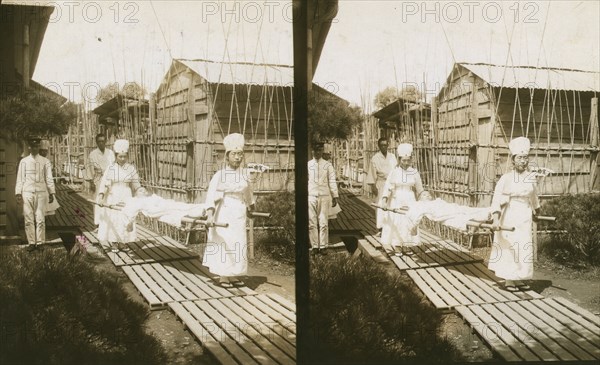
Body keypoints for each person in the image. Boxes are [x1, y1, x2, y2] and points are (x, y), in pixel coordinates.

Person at [489, 137, 540, 292]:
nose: (523, 161)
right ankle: (509, 279)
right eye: (519, 158)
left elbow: (534, 196)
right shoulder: (506, 178)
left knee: (523, 247)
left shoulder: (530, 178)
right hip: (510, 214)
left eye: (525, 158)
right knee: (511, 246)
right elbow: (497, 199)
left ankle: (520, 278)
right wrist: (496, 219)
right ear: (513, 160)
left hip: (524, 216)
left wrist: (537, 211)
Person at [204, 133, 255, 288]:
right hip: (224, 212)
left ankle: (234, 274)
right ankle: (224, 275)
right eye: (234, 154)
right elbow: (211, 196)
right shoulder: (221, 175)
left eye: (240, 154)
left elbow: (248, 193)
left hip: (239, 213)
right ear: (227, 156)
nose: (238, 158)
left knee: (238, 242)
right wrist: (210, 215)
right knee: (225, 242)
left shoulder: (244, 175)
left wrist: (251, 206)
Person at [96, 139, 144, 252]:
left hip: (126, 195)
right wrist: (102, 196)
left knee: (125, 217)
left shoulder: (131, 168)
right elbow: (105, 184)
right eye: (120, 156)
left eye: (124, 156)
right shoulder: (111, 168)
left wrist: (140, 191)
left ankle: (123, 242)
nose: (122, 159)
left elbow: (136, 183)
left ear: (127, 156)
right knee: (114, 218)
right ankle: (113, 242)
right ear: (116, 156)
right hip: (114, 195)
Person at [380, 143, 424, 256]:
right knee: (397, 221)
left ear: (411, 159)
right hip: (397, 198)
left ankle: (406, 245)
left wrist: (424, 199)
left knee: (408, 221)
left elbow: (420, 189)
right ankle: (397, 245)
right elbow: (388, 187)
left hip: (410, 199)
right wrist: (384, 200)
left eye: (408, 160)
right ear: (399, 159)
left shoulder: (414, 172)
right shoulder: (394, 172)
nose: (405, 163)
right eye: (403, 160)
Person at [15, 135, 56, 252]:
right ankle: (31, 242)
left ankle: (40, 242)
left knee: (40, 218)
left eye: (36, 146)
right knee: (28, 218)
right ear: (29, 147)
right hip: (27, 192)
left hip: (41, 193)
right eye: (32, 146)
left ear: (39, 147)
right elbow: (20, 178)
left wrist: (51, 192)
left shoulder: (45, 161)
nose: (34, 148)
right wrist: (18, 193)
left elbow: (49, 178)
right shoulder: (24, 161)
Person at [308, 141, 339, 255]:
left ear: (322, 151)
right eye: (315, 150)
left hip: (324, 196)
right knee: (312, 222)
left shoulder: (327, 165)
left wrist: (334, 196)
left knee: (323, 222)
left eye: (320, 150)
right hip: (311, 196)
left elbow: (332, 180)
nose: (317, 152)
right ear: (312, 151)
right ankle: (315, 246)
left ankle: (323, 246)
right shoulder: (308, 165)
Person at [365, 137, 397, 235]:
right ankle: (380, 228)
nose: (384, 147)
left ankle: (391, 227)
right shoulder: (375, 158)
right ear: (379, 146)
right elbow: (372, 174)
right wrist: (373, 187)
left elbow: (396, 170)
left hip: (392, 183)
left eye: (385, 145)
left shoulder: (392, 157)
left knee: (392, 204)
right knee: (380, 205)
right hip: (381, 183)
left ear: (388, 145)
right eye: (382, 145)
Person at [87, 133, 115, 228]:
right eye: (99, 141)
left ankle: (109, 222)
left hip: (110, 179)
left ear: (106, 142)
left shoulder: (110, 153)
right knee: (98, 200)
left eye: (103, 141)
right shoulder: (93, 154)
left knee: (109, 199)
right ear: (96, 142)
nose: (101, 143)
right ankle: (98, 224)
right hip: (98, 179)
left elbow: (114, 166)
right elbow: (90, 168)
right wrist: (91, 182)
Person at [39, 139, 60, 216]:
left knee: (45, 208)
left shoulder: (47, 161)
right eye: (42, 151)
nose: (44, 153)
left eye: (45, 151)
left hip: (44, 187)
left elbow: (49, 178)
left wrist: (51, 192)